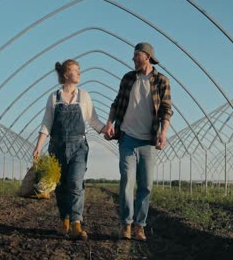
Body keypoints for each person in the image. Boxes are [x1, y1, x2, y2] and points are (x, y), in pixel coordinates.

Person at [105, 42, 172, 241]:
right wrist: (110, 123)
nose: (133, 59)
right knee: (127, 180)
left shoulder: (162, 81)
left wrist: (163, 132)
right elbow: (117, 103)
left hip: (148, 141)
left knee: (146, 185)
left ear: (147, 57)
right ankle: (126, 224)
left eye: (136, 55)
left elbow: (166, 109)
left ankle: (139, 227)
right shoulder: (128, 78)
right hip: (127, 138)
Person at [33, 59, 106, 240]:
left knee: (75, 182)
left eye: (79, 70)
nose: (79, 73)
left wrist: (107, 130)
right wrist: (38, 147)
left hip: (78, 146)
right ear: (66, 75)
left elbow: (94, 121)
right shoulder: (54, 97)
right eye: (75, 70)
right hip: (56, 146)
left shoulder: (84, 96)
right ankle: (64, 220)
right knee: (61, 186)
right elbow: (46, 124)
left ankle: (76, 223)